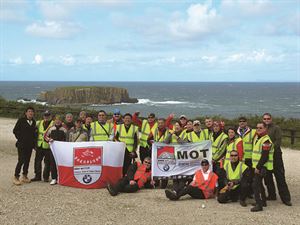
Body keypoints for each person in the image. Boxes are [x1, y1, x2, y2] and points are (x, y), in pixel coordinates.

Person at [262, 113, 292, 206]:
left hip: (276, 155)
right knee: (268, 176)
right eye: (265, 118)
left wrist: (269, 149)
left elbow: (278, 141)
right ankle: (272, 195)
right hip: (266, 156)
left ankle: (286, 198)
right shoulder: (263, 128)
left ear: (271, 119)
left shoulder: (276, 128)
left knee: (280, 177)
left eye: (268, 118)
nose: (266, 120)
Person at [251, 122, 274, 212]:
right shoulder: (258, 137)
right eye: (257, 128)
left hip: (262, 166)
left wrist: (258, 167)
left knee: (255, 185)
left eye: (260, 128)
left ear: (265, 129)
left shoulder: (266, 140)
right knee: (259, 184)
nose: (258, 129)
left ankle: (259, 205)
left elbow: (265, 156)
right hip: (258, 165)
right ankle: (263, 201)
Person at [13, 106, 37, 185]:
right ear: (26, 113)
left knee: (27, 160)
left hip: (29, 145)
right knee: (21, 160)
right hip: (21, 144)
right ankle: (16, 177)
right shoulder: (21, 120)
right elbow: (15, 130)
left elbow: (34, 133)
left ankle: (24, 176)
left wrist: (34, 143)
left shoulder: (33, 122)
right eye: (29, 111)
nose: (30, 113)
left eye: (32, 111)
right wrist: (20, 138)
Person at [164, 121, 188, 193]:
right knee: (175, 177)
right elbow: (166, 142)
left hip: (183, 158)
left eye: (178, 125)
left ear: (181, 127)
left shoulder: (184, 133)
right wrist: (170, 134)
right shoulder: (171, 133)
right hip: (174, 158)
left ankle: (178, 190)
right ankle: (174, 191)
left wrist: (176, 137)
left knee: (182, 177)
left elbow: (185, 143)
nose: (176, 127)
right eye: (175, 125)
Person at [44, 115, 67, 185]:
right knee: (53, 163)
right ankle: (54, 178)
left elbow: (67, 139)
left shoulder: (64, 129)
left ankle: (61, 177)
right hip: (53, 149)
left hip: (61, 150)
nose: (58, 121)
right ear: (54, 120)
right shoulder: (51, 128)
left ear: (61, 121)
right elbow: (45, 136)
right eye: (56, 119)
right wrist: (49, 140)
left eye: (59, 119)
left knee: (61, 163)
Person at [31, 110, 53, 182]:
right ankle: (37, 176)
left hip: (48, 146)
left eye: (48, 115)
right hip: (39, 146)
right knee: (37, 161)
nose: (46, 117)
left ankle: (46, 177)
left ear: (50, 116)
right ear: (43, 116)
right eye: (45, 115)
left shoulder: (53, 124)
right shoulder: (38, 123)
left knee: (47, 163)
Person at [147, 118, 170, 188]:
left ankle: (164, 183)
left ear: (164, 123)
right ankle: (156, 182)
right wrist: (151, 142)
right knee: (156, 166)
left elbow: (170, 141)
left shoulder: (168, 131)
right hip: (156, 152)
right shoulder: (154, 131)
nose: (160, 124)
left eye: (162, 123)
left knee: (165, 167)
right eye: (159, 123)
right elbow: (148, 140)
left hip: (165, 153)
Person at [210, 121, 228, 190]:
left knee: (220, 177)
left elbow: (222, 150)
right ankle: (215, 190)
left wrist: (214, 159)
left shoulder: (224, 137)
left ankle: (221, 190)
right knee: (213, 176)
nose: (215, 128)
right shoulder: (211, 135)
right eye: (214, 126)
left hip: (219, 160)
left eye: (217, 126)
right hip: (212, 160)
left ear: (220, 127)